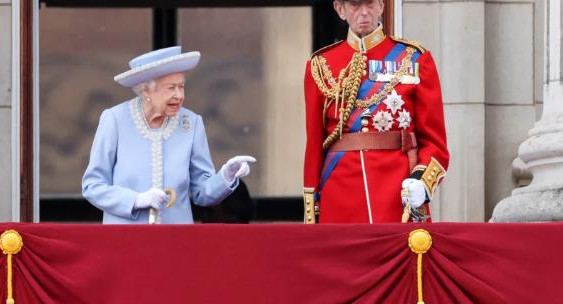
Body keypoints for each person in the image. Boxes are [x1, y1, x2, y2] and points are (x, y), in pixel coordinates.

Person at [303, 0, 449, 224]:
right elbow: (314, 146)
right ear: (340, 10)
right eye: (354, 5)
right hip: (339, 196)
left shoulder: (415, 59)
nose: (364, 13)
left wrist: (423, 181)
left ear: (381, 5)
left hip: (396, 193)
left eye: (370, 4)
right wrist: (312, 215)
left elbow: (435, 142)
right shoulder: (321, 66)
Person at [82, 46, 255, 224]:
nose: (179, 95)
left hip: (176, 240)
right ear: (146, 90)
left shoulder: (192, 123)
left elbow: (202, 193)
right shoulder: (115, 120)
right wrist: (136, 200)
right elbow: (93, 186)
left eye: (181, 87)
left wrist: (226, 176)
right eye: (171, 88)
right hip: (125, 239)